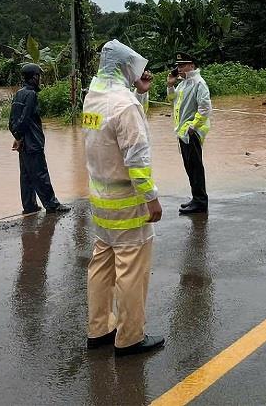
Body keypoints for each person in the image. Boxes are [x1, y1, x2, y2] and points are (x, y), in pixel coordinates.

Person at [83, 40, 164, 356]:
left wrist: (140, 92)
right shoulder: (125, 106)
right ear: (126, 66)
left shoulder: (94, 98)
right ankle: (130, 336)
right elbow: (136, 157)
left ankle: (99, 328)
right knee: (131, 269)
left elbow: (115, 132)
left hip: (100, 199)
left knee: (101, 265)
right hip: (128, 202)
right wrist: (151, 198)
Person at [9, 63, 70, 215]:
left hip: (23, 142)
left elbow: (12, 120)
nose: (40, 79)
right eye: (39, 76)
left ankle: (30, 206)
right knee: (40, 174)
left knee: (26, 176)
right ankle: (52, 205)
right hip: (32, 142)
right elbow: (25, 118)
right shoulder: (31, 95)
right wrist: (21, 136)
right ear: (35, 77)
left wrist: (17, 137)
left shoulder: (19, 93)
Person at [166, 52, 212, 215]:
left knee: (195, 167)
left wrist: (193, 127)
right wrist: (170, 85)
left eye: (182, 65)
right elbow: (172, 101)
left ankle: (200, 202)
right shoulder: (183, 84)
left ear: (192, 65)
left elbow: (205, 108)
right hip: (183, 133)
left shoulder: (199, 83)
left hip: (192, 133)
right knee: (189, 166)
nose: (179, 69)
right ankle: (196, 198)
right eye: (178, 66)